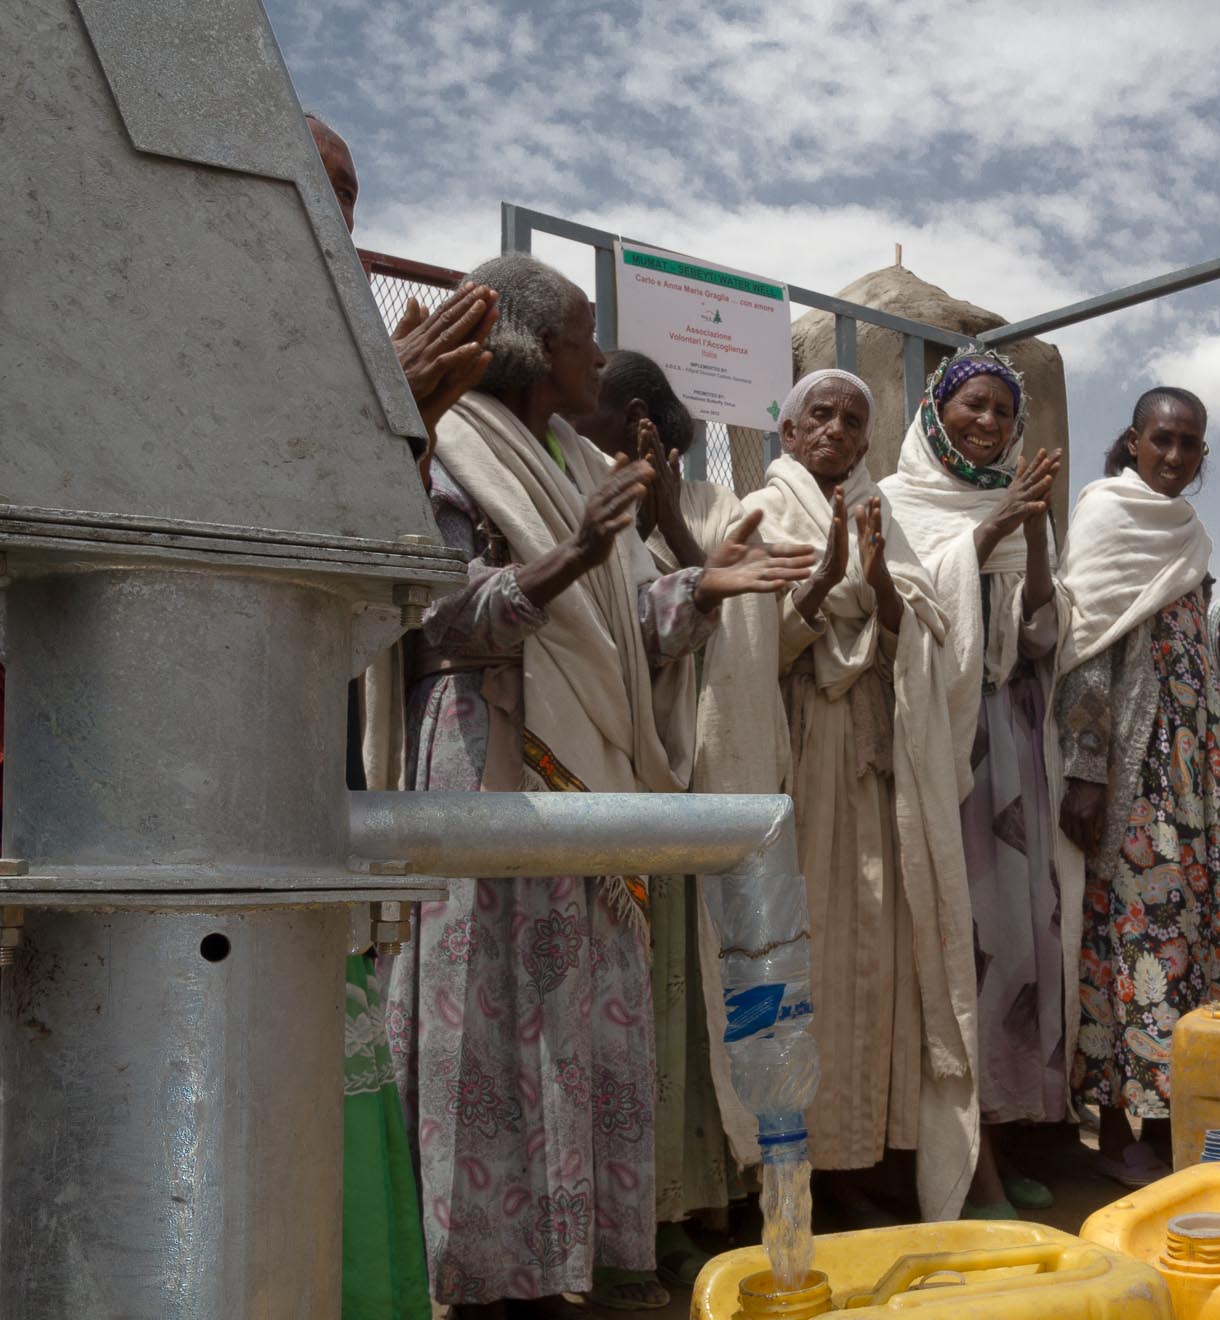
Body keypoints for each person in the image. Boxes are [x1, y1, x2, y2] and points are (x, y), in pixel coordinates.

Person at [371, 253, 812, 1315]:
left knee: (579, 1031)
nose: (598, 355)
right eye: (582, 334)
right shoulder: (453, 448)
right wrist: (572, 552)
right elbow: (435, 618)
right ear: (529, 345)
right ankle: (480, 1271)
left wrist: (696, 589)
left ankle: (568, 1265)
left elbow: (618, 633)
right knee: (490, 1024)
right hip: (488, 759)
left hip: (585, 774)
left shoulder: (569, 455)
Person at [309, 108, 500, 1320]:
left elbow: (358, 599)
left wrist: (398, 431)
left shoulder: (343, 367)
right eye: (307, 186)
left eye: (348, 199)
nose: (330, 219)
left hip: (303, 751)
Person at [742, 368, 981, 1223]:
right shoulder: (761, 513)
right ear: (787, 431)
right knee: (812, 953)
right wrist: (828, 576)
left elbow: (918, 633)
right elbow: (750, 649)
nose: (837, 431)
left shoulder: (886, 519)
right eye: (820, 416)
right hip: (805, 750)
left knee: (877, 955)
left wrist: (873, 574)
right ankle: (802, 1173)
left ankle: (865, 1155)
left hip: (878, 758)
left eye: (852, 420)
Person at [565, 350, 772, 1293]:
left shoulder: (668, 519)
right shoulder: (568, 500)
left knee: (682, 1009)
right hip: (603, 787)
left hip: (675, 786)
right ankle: (633, 1219)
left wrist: (672, 528)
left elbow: (702, 623)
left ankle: (688, 1202)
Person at [878, 350, 1067, 1217]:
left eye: (1002, 412)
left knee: (1020, 950)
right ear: (935, 408)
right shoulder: (894, 500)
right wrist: (989, 531)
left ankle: (1009, 1128)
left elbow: (1035, 638)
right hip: (935, 741)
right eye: (973, 407)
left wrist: (1029, 533)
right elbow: (907, 617)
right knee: (953, 949)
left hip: (1009, 742)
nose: (988, 425)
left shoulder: (1022, 505)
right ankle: (957, 1159)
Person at [1054, 386, 1220, 1187]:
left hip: (1195, 778)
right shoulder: (1106, 515)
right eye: (1161, 439)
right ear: (1133, 441)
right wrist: (1088, 772)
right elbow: (1088, 648)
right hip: (1139, 776)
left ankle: (1179, 1116)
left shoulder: (1189, 533)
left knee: (1189, 941)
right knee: (1132, 940)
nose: (1173, 455)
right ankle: (1125, 1120)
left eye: (1189, 445)